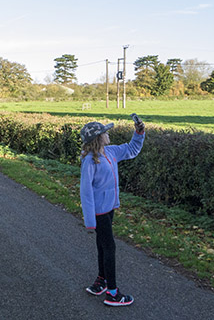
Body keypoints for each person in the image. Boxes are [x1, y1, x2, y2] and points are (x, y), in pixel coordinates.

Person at [80, 117, 145, 307]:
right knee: (109, 247)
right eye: (105, 133)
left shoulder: (111, 151)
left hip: (109, 208)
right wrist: (90, 221)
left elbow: (132, 149)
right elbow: (86, 192)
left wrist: (139, 132)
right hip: (99, 212)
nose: (108, 135)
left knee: (102, 245)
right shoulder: (90, 161)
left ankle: (101, 281)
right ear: (98, 138)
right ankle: (113, 293)